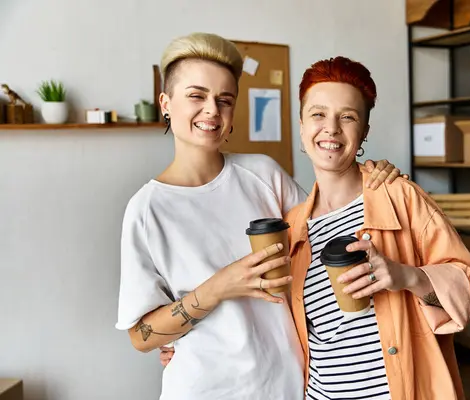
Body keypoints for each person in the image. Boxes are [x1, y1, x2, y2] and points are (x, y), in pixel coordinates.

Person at [115, 32, 404, 400]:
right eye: (196, 96)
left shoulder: (263, 175)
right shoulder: (146, 210)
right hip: (204, 389)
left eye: (224, 100)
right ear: (165, 103)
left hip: (290, 385)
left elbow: (325, 238)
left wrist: (374, 174)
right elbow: (141, 336)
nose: (211, 111)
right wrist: (218, 287)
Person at [282, 56, 470, 400]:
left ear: (363, 131)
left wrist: (407, 277)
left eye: (347, 117)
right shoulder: (292, 229)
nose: (331, 128)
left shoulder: (400, 197)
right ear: (302, 125)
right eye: (318, 114)